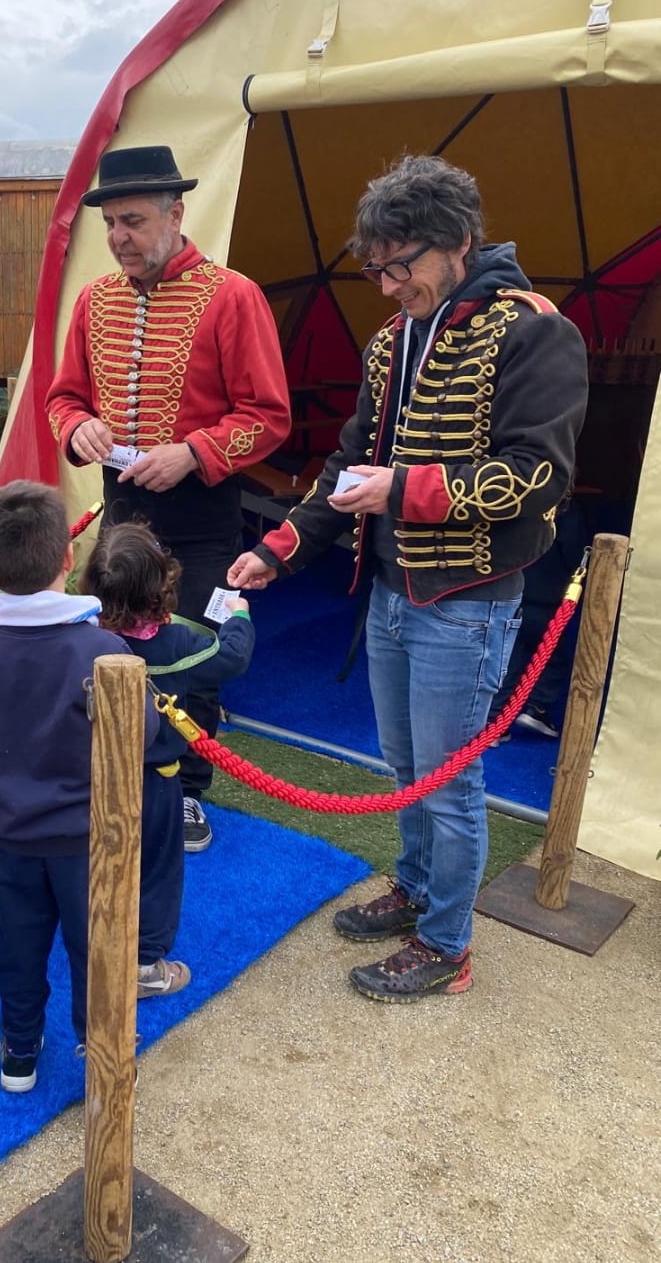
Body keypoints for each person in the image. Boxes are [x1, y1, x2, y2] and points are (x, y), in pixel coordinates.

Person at [228, 155, 589, 1002]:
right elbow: (349, 460)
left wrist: (403, 489)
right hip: (389, 589)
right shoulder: (392, 340)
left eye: (401, 265)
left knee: (448, 779)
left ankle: (446, 944)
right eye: (376, 270)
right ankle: (417, 886)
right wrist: (281, 547)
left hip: (468, 601)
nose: (388, 287)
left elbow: (537, 477)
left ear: (457, 241)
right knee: (404, 765)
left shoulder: (534, 331)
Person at [44, 144, 292, 855]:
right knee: (113, 641)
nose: (118, 237)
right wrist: (77, 427)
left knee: (196, 652)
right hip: (122, 511)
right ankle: (118, 765)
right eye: (109, 223)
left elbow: (269, 415)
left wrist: (193, 452)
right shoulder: (93, 300)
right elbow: (63, 397)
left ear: (176, 214)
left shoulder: (233, 296)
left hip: (204, 517)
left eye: (133, 221)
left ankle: (186, 790)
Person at [0, 481, 162, 1093]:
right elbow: (142, 734)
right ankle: (98, 1048)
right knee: (97, 946)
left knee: (17, 946)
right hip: (85, 837)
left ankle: (19, 1048)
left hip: (9, 833)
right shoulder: (101, 648)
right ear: (68, 556)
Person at [80, 521, 255, 987]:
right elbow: (232, 657)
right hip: (155, 779)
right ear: (162, 585)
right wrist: (239, 616)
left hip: (91, 774)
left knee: (93, 855)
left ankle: (90, 937)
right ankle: (144, 964)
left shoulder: (82, 636)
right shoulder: (179, 644)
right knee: (157, 869)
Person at [490, 495, 589, 742]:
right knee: (554, 657)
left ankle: (494, 724)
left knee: (510, 663)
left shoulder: (519, 502)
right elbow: (575, 554)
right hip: (548, 599)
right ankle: (538, 708)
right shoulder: (567, 511)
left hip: (514, 594)